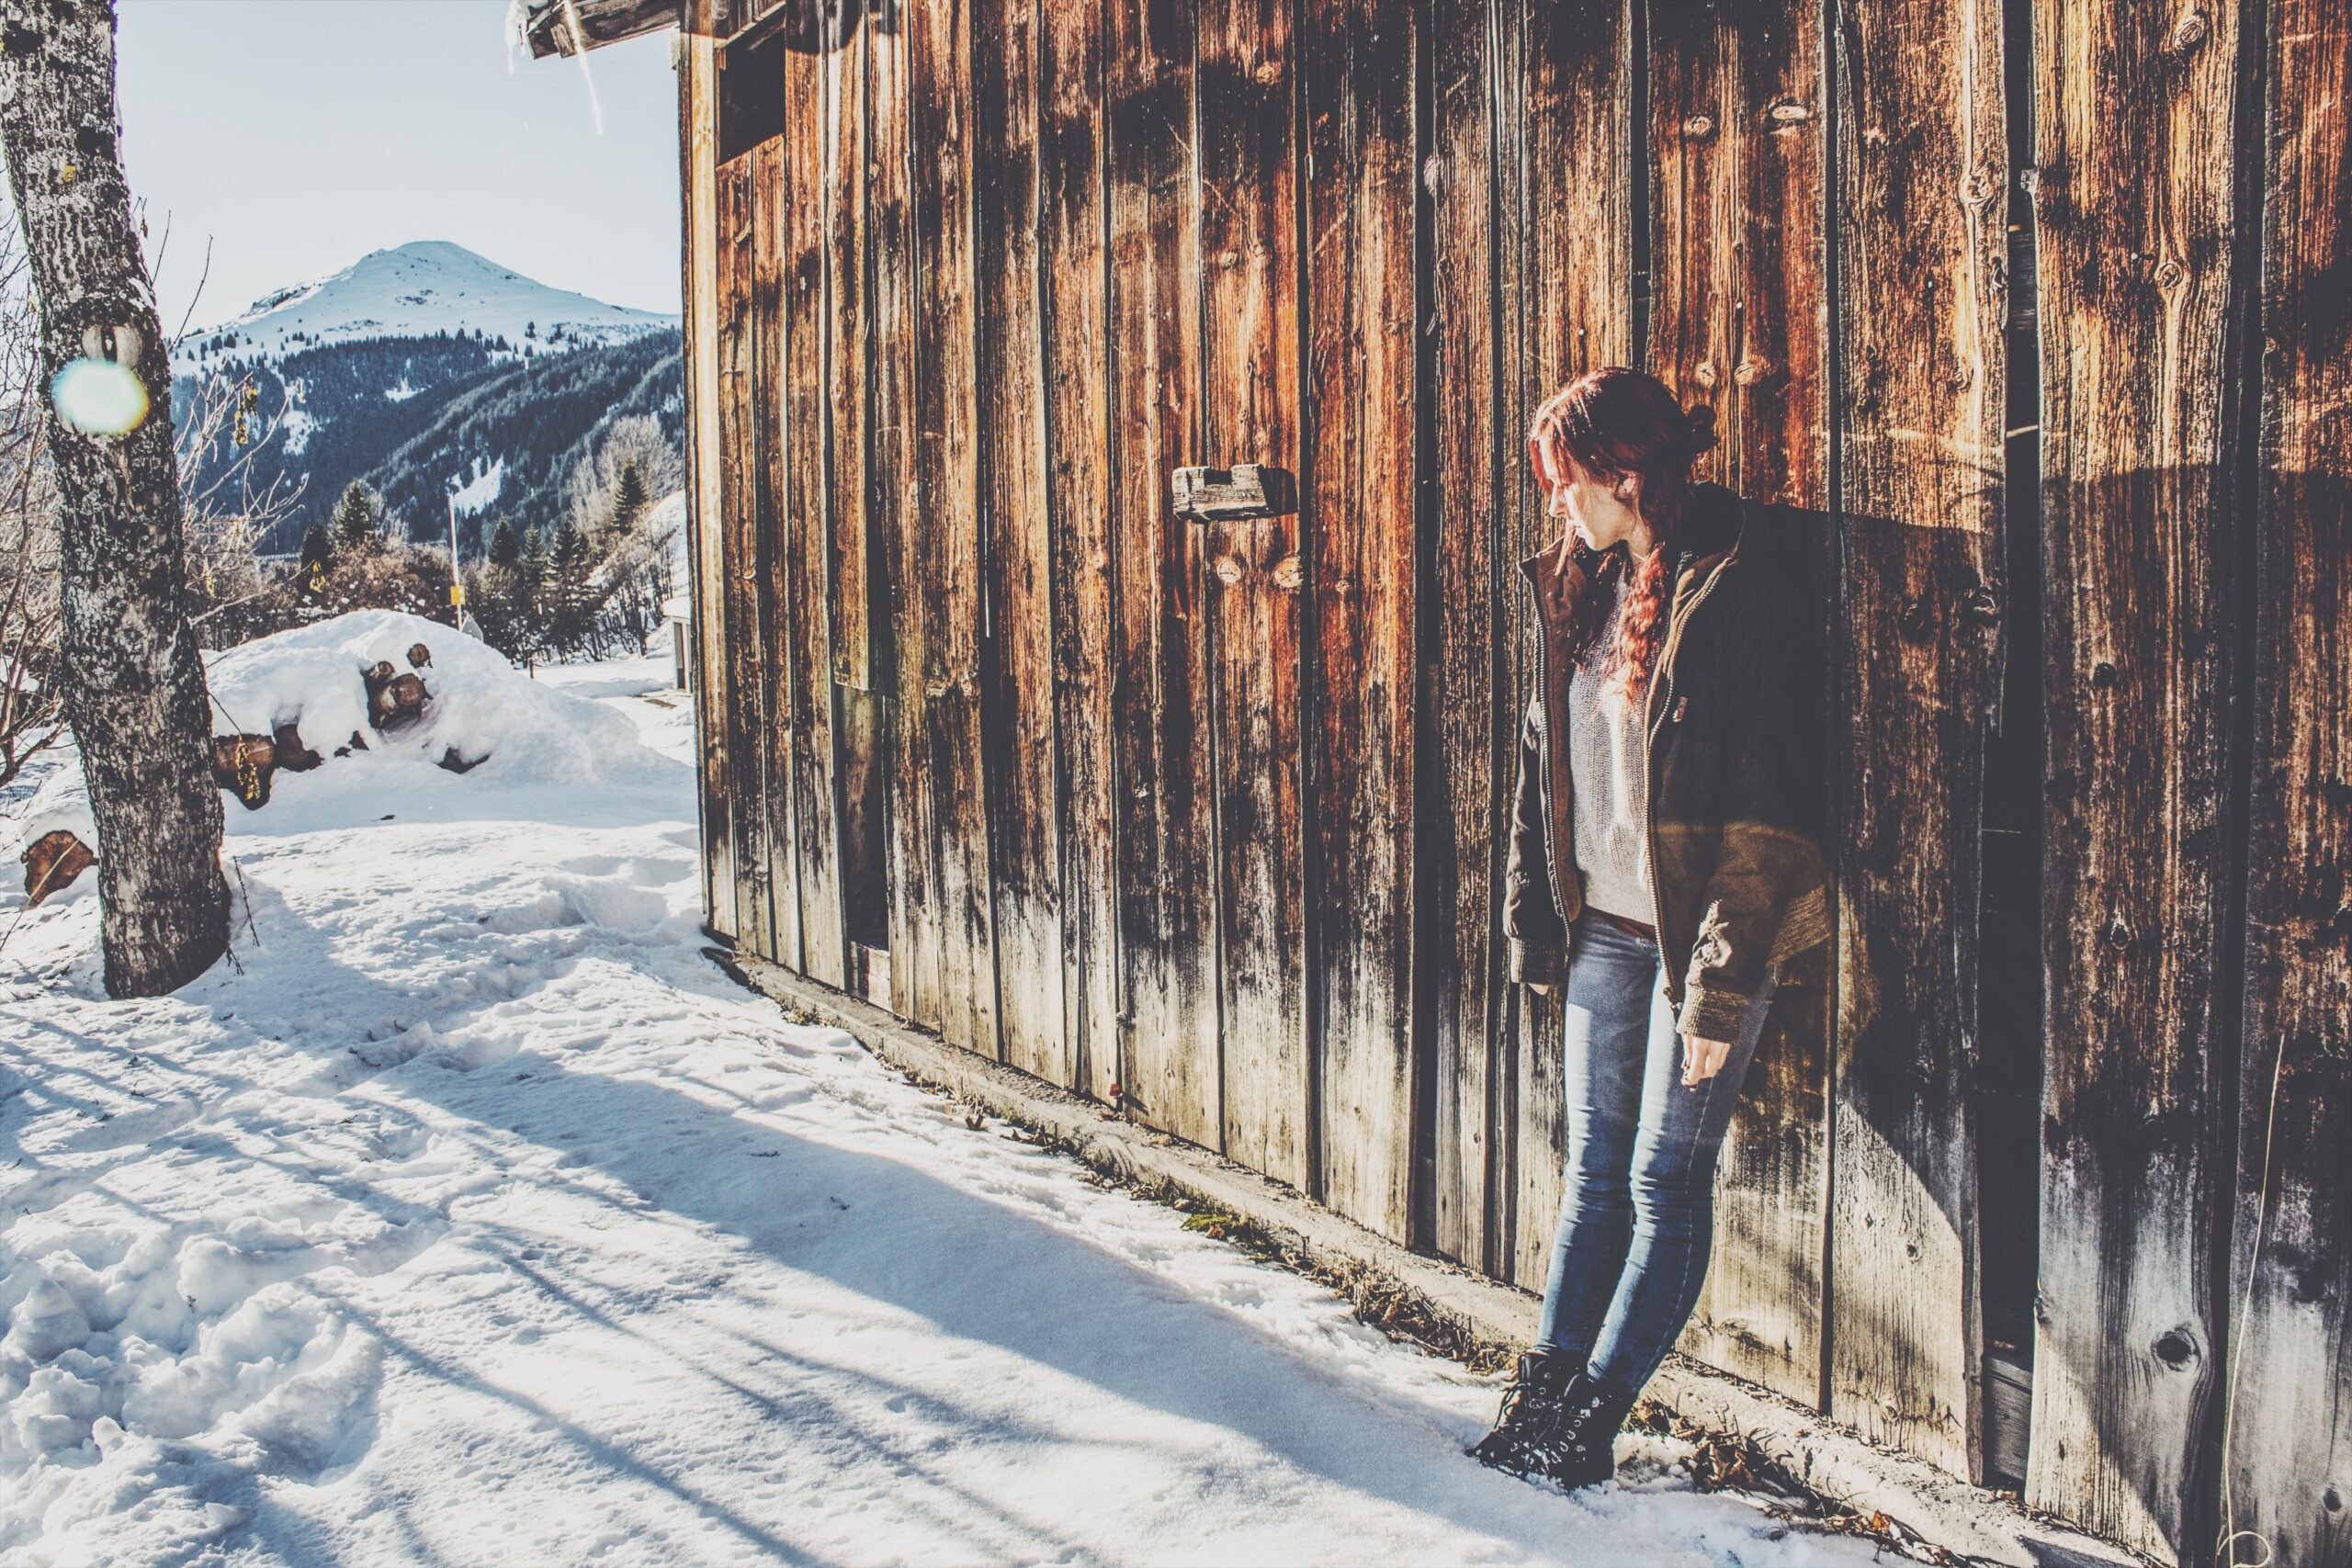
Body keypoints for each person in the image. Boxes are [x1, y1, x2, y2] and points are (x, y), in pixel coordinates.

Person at [1471, 367, 1831, 1489]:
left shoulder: (1734, 588)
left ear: (1626, 476)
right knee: (1592, 1174)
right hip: (1602, 939)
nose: (1556, 503)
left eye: (1568, 481)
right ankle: (1538, 1397)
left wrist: (1719, 989)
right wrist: (1539, 920)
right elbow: (1542, 774)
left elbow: (1767, 806)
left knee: (1663, 1183)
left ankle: (1587, 1424)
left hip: (1697, 947)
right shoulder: (1575, 587)